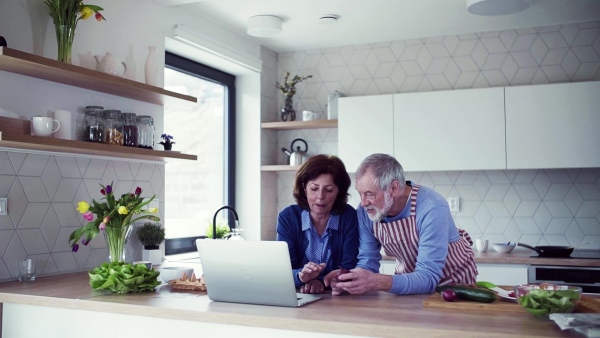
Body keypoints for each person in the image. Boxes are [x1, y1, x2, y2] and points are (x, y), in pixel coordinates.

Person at [325, 153, 477, 295]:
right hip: (410, 285)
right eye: (360, 193)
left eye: (370, 194)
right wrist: (350, 279)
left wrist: (377, 281)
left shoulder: (432, 207)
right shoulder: (365, 211)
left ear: (394, 188)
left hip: (454, 287)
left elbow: (429, 277)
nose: (363, 203)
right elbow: (367, 262)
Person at [276, 154, 359, 294]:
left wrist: (320, 281)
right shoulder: (288, 217)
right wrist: (301, 276)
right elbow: (283, 270)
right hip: (298, 295)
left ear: (338, 192)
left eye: (329, 190)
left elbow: (349, 266)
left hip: (339, 297)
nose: (320, 197)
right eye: (314, 188)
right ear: (304, 188)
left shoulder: (348, 216)